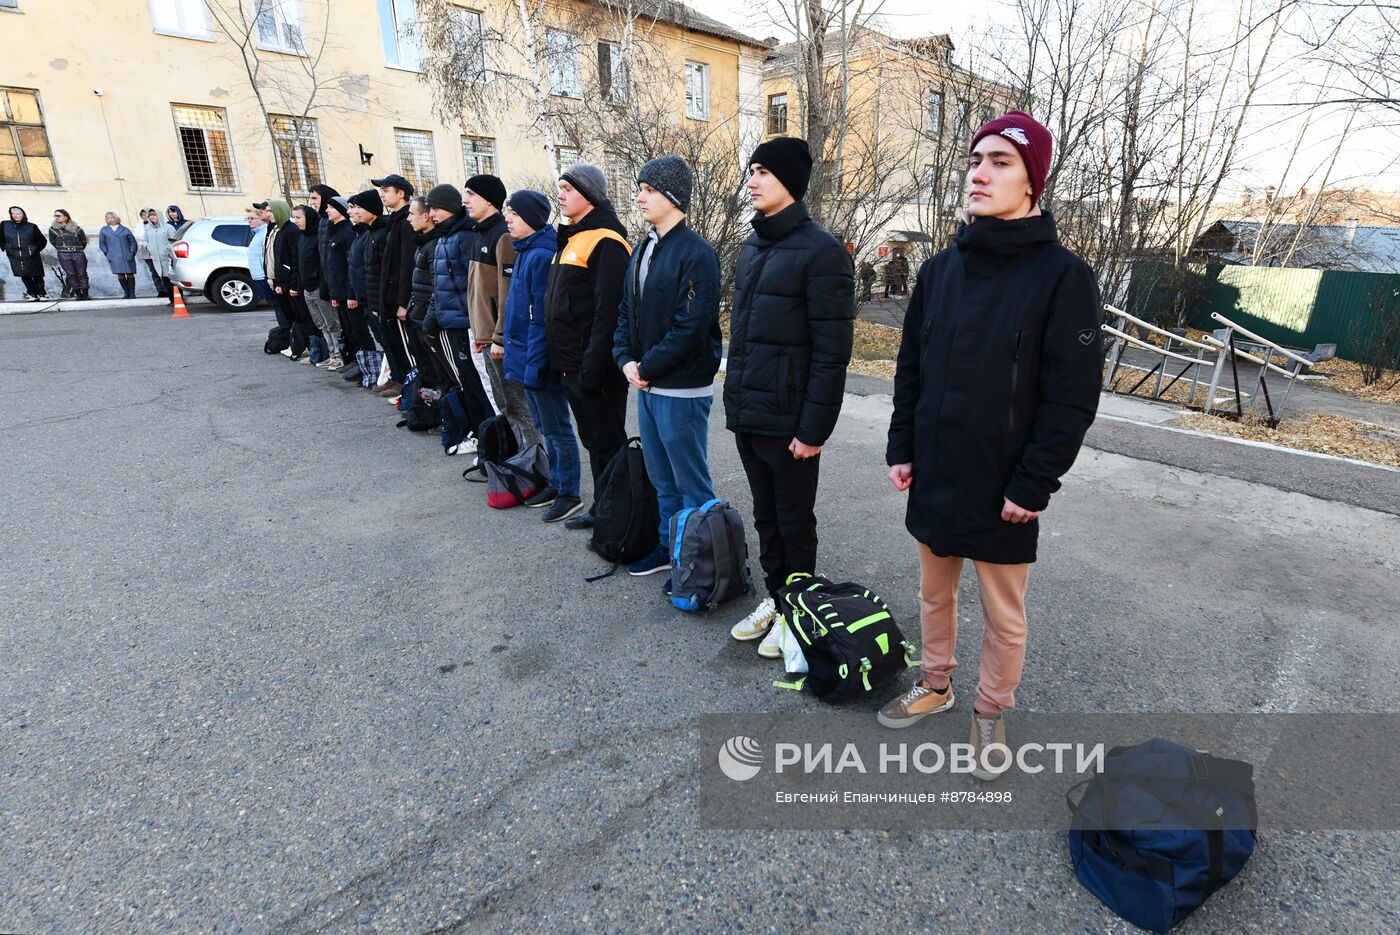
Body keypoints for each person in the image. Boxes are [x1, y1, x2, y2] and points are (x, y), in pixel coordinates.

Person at [877, 111, 1101, 780]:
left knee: (1005, 613)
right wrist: (901, 445)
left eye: (1000, 161)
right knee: (933, 594)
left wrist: (1034, 482)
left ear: (1033, 179)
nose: (979, 172)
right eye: (976, 160)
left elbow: (1071, 397)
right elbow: (911, 367)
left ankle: (991, 709)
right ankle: (937, 683)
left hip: (1006, 484)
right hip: (937, 469)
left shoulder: (1064, 278)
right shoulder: (940, 270)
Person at [723, 136, 855, 658]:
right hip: (750, 413)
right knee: (765, 516)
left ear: (791, 185)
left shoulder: (823, 252)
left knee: (795, 520)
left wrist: (812, 430)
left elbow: (832, 353)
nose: (752, 181)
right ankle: (779, 601)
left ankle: (799, 613)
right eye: (751, 170)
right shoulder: (753, 246)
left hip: (790, 422)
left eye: (763, 172)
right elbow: (747, 337)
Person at [612, 155, 722, 582]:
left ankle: (707, 560)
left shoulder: (697, 254)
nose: (639, 196)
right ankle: (670, 547)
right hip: (647, 383)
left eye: (649, 189)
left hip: (681, 388)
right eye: (640, 188)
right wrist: (625, 360)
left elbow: (691, 326)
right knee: (662, 479)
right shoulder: (643, 248)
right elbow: (626, 311)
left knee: (692, 483)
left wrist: (648, 365)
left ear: (673, 197)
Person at [542, 163, 632, 531]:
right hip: (572, 365)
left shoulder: (606, 240)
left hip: (594, 369)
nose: (560, 194)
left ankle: (621, 515)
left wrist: (593, 369)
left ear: (590, 194)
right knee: (594, 441)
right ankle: (603, 508)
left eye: (568, 188)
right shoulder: (572, 238)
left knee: (608, 442)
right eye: (559, 188)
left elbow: (607, 313)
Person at [502, 189, 585, 522]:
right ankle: (556, 481)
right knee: (545, 425)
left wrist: (534, 366)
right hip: (526, 359)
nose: (508, 219)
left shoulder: (541, 255)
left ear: (533, 220)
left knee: (557, 428)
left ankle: (570, 493)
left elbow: (542, 320)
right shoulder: (525, 250)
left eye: (515, 214)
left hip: (540, 361)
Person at [463, 174, 541, 449]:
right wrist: (479, 331)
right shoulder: (479, 233)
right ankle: (522, 458)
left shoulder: (503, 236)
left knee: (517, 405)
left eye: (471, 194)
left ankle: (535, 463)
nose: (465, 200)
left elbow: (509, 294)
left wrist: (500, 335)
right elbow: (479, 291)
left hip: (501, 341)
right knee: (504, 404)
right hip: (486, 337)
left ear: (489, 199)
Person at [421, 183, 497, 450]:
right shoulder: (444, 237)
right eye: (429, 208)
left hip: (468, 324)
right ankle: (480, 433)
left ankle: (490, 436)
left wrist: (478, 325)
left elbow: (475, 285)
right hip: (452, 323)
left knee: (480, 384)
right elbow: (439, 286)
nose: (432, 214)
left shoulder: (464, 238)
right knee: (467, 382)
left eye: (437, 208)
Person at [372, 173, 417, 389]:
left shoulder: (407, 221)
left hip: (401, 300)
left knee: (410, 352)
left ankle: (413, 393)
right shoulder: (394, 220)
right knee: (398, 349)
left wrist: (403, 301)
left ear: (401, 193)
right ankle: (407, 390)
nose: (381, 194)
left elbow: (406, 264)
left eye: (386, 190)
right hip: (390, 298)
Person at [347, 190, 387, 389]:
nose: (353, 212)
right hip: (368, 298)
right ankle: (389, 375)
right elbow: (354, 267)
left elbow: (381, 272)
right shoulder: (365, 234)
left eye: (357, 207)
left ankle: (397, 378)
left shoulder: (379, 233)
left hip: (378, 300)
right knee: (384, 342)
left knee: (388, 342)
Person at [291, 203, 337, 368]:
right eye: (294, 217)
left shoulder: (318, 236)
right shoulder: (301, 237)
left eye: (298, 217)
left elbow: (323, 263)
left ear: (308, 218)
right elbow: (299, 263)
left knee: (332, 323)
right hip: (307, 288)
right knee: (321, 325)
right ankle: (331, 354)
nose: (295, 221)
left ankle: (338, 355)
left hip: (318, 287)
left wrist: (319, 281)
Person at [308, 184, 348, 368]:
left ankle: (341, 356)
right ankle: (334, 354)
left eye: (315, 198)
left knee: (336, 323)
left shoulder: (340, 226)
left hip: (335, 282)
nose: (313, 203)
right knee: (325, 323)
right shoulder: (323, 221)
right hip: (325, 280)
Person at [322, 197, 359, 380]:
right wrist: (333, 293)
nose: (327, 210)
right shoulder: (333, 231)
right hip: (339, 290)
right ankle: (351, 360)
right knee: (347, 329)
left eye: (331, 207)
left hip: (348, 291)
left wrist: (350, 293)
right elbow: (332, 265)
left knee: (356, 330)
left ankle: (362, 364)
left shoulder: (348, 233)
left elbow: (349, 265)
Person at [3, 206, 48, 300]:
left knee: (37, 275)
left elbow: (42, 240)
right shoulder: (5, 225)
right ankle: (32, 294)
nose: (15, 215)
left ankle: (42, 294)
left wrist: (34, 250)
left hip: (31, 255)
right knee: (24, 275)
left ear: (23, 215)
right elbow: (1, 238)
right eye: (13, 213)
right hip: (15, 256)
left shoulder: (31, 226)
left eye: (18, 213)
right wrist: (6, 248)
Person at [48, 209, 89, 300]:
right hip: (64, 254)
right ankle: (78, 294)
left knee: (82, 273)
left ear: (66, 217)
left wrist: (77, 249)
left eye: (59, 215)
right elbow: (53, 241)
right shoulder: (53, 229)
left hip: (78, 253)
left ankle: (85, 294)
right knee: (71, 274)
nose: (57, 217)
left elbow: (83, 241)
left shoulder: (77, 228)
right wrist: (62, 248)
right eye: (55, 216)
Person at [98, 212, 139, 299]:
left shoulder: (125, 229)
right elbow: (102, 243)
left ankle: (132, 293)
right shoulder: (104, 230)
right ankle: (126, 293)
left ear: (116, 218)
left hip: (127, 254)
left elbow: (132, 242)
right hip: (113, 255)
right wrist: (106, 253)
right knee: (120, 274)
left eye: (112, 218)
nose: (110, 220)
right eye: (108, 218)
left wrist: (132, 252)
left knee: (130, 273)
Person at [143, 207, 174, 303]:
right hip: (156, 259)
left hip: (168, 259)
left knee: (172, 280)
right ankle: (171, 300)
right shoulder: (148, 229)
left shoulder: (168, 227)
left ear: (159, 215)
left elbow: (173, 240)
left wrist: (167, 248)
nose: (152, 217)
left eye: (154, 215)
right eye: (150, 215)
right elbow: (145, 240)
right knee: (164, 280)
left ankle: (177, 300)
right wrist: (148, 247)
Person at [247, 204, 271, 304]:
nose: (249, 220)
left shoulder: (265, 232)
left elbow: (269, 255)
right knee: (273, 304)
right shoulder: (257, 233)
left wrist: (268, 277)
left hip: (264, 276)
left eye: (252, 218)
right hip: (258, 276)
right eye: (247, 218)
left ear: (261, 218)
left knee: (278, 305)